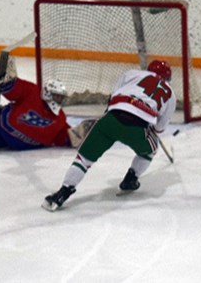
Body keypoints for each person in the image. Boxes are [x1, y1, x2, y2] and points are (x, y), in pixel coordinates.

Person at [42, 60, 177, 211]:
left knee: (84, 159)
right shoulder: (170, 93)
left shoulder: (132, 74)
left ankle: (62, 193)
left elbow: (112, 97)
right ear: (167, 78)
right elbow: (159, 128)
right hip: (136, 128)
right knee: (151, 149)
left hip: (110, 120)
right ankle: (131, 179)